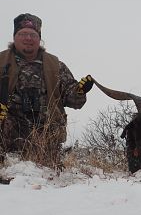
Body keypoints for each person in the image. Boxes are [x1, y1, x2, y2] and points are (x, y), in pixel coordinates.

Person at [0, 13, 94, 167]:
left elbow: (74, 101)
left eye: (32, 34)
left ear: (39, 39)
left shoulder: (55, 65)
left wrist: (80, 92)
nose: (28, 38)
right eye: (23, 34)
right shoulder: (1, 61)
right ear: (14, 37)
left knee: (48, 177)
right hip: (7, 142)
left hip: (46, 143)